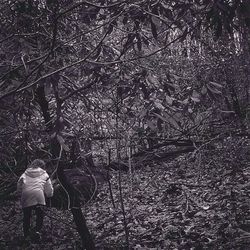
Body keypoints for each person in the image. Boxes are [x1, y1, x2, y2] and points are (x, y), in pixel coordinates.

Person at [17, 159, 54, 240]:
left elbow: (19, 184)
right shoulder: (44, 174)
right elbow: (49, 188)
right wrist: (49, 195)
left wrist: (20, 193)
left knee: (26, 216)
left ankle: (26, 234)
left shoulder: (25, 174)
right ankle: (37, 231)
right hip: (39, 195)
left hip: (26, 195)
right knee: (40, 215)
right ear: (43, 166)